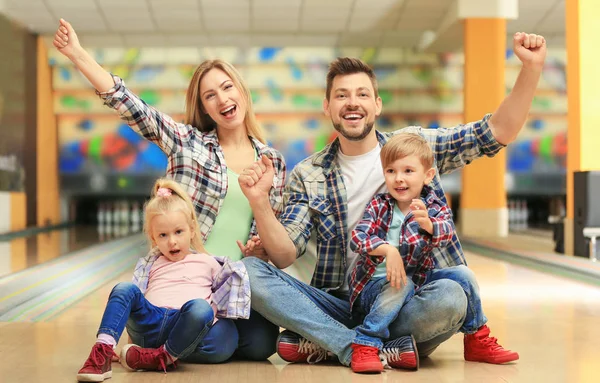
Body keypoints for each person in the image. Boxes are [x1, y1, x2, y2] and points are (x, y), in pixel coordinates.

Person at [237, 32, 546, 370]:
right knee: (250, 271)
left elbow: (496, 132)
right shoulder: (308, 173)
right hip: (341, 302)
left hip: (408, 299)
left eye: (362, 94)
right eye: (341, 95)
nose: (352, 102)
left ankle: (328, 342)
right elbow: (283, 255)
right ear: (327, 106)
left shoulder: (415, 146)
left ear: (377, 104)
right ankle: (359, 346)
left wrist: (531, 68)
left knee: (452, 298)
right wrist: (259, 201)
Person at [53, 19, 284, 360]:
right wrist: (77, 53)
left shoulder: (272, 161)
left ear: (241, 91)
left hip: (226, 287)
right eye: (210, 95)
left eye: (227, 87)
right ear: (204, 107)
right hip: (178, 285)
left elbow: (269, 228)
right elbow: (128, 103)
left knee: (263, 344)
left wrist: (259, 249)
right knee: (224, 343)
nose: (222, 99)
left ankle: (164, 346)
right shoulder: (186, 141)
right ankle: (170, 340)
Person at [347, 133, 518, 373]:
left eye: (408, 171)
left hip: (415, 284)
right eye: (391, 171)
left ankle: (476, 338)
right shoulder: (380, 205)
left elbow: (447, 232)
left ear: (427, 176)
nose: (399, 179)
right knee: (400, 284)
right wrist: (388, 250)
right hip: (372, 290)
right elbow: (358, 237)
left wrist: (429, 225)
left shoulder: (433, 205)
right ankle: (365, 342)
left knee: (463, 273)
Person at [76, 179, 252, 382]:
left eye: (179, 232)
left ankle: (162, 357)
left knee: (205, 312)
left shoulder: (208, 262)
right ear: (153, 237)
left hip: (188, 327)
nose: (172, 241)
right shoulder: (150, 263)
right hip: (151, 324)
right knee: (124, 289)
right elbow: (137, 299)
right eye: (163, 235)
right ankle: (103, 352)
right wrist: (129, 344)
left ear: (192, 229)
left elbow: (222, 298)